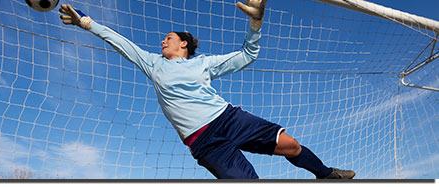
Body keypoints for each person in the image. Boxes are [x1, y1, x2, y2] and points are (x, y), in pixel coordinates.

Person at [59, 0, 355, 179]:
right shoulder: (152, 63)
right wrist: (86, 22)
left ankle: (326, 175)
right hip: (204, 142)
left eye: (168, 38)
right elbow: (120, 42)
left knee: (290, 144)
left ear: (183, 43)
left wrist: (255, 24)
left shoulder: (204, 64)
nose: (163, 42)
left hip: (229, 118)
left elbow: (246, 56)